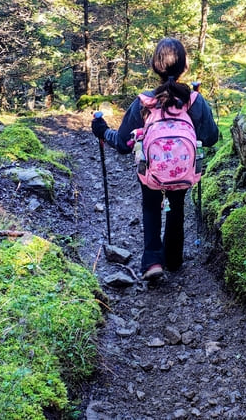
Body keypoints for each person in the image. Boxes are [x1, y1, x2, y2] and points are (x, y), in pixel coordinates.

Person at [91, 37, 219, 280]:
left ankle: (152, 261)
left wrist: (102, 131)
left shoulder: (145, 102)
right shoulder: (194, 101)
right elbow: (211, 137)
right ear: (184, 67)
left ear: (155, 67)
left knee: (151, 206)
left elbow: (123, 144)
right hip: (183, 171)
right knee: (177, 206)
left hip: (150, 172)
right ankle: (174, 258)